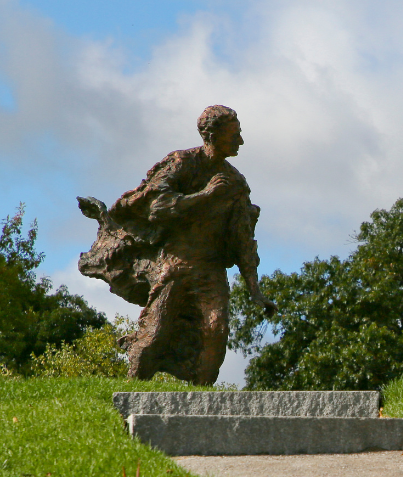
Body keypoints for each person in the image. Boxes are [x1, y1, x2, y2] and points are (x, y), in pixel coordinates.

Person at [77, 105, 276, 385]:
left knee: (216, 333)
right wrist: (205, 196)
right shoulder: (183, 163)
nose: (240, 142)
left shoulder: (236, 183)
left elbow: (243, 239)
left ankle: (201, 402)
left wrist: (255, 290)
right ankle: (132, 391)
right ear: (212, 135)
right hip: (175, 266)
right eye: (234, 135)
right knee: (155, 333)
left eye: (239, 135)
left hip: (211, 272)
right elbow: (157, 208)